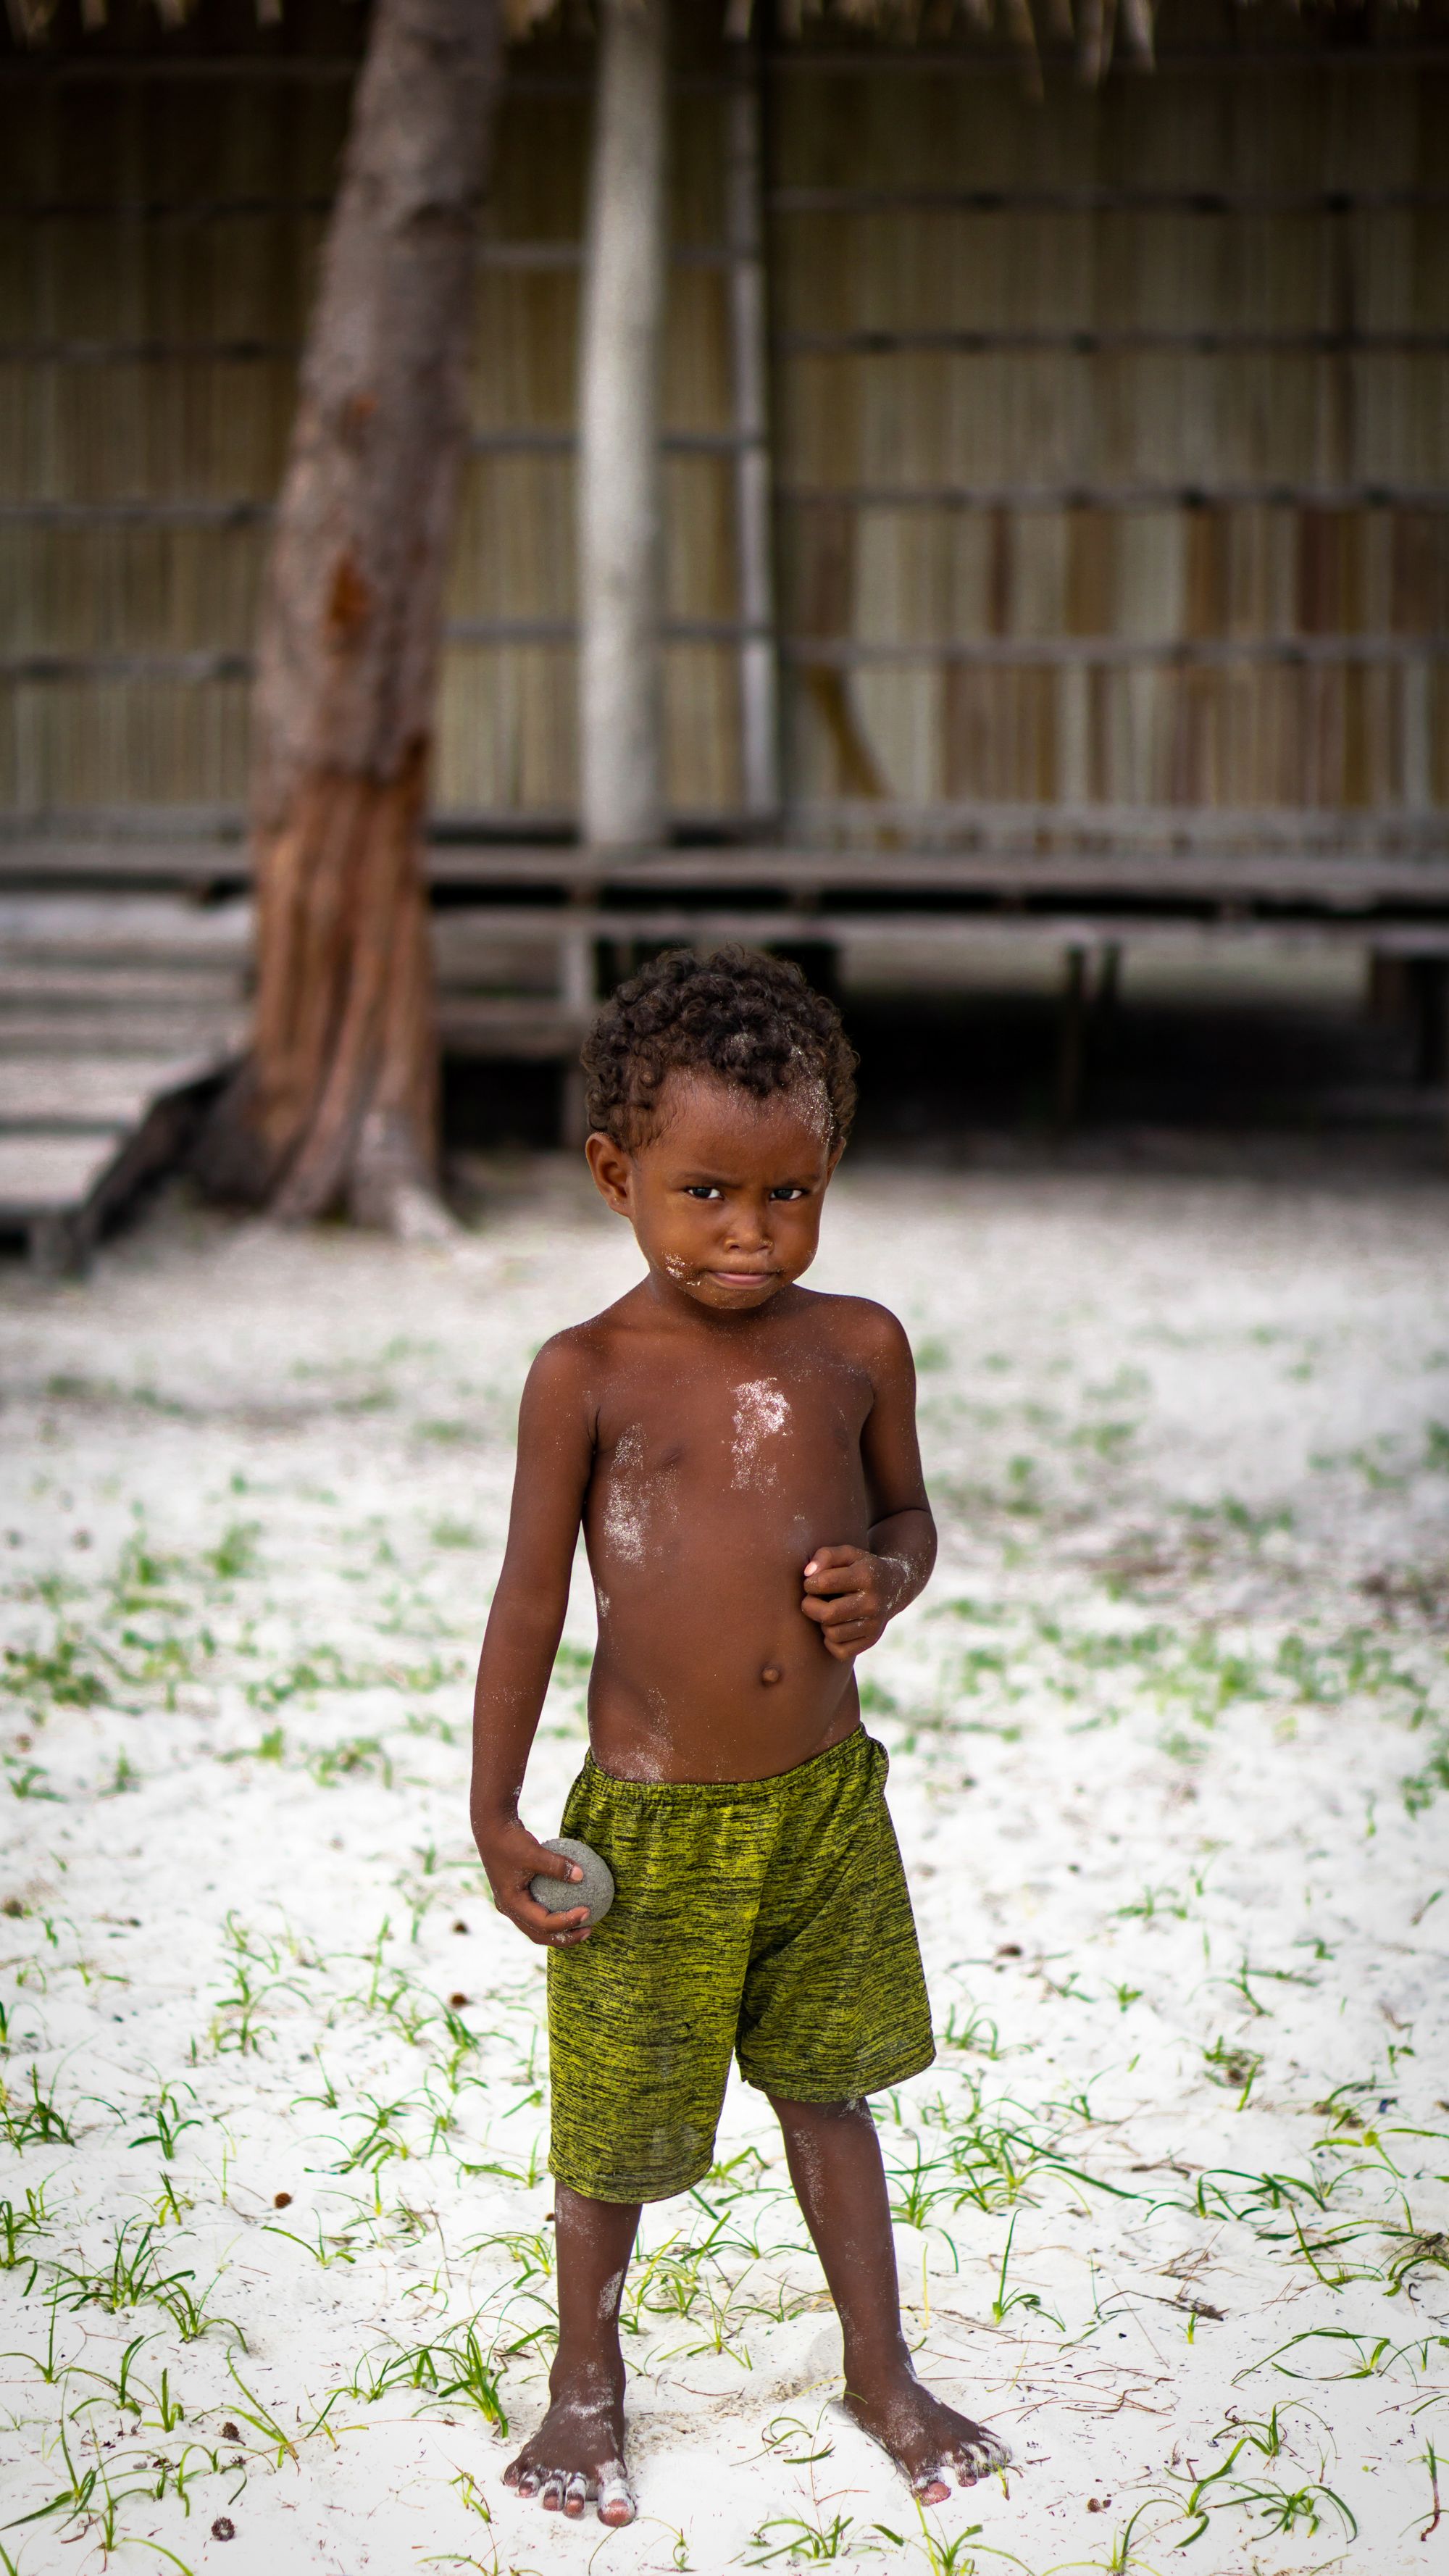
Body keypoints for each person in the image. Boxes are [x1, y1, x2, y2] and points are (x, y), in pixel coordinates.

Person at [470, 947, 1011, 2527]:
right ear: (615, 1174)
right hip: (646, 1826)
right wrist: (497, 1814)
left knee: (829, 2091)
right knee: (615, 2127)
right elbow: (523, 1603)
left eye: (789, 1194)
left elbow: (910, 1513)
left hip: (823, 1809)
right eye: (705, 1191)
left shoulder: (858, 1344)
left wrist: (885, 1580)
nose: (749, 1234)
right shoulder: (586, 1374)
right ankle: (586, 2385)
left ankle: (880, 2365)